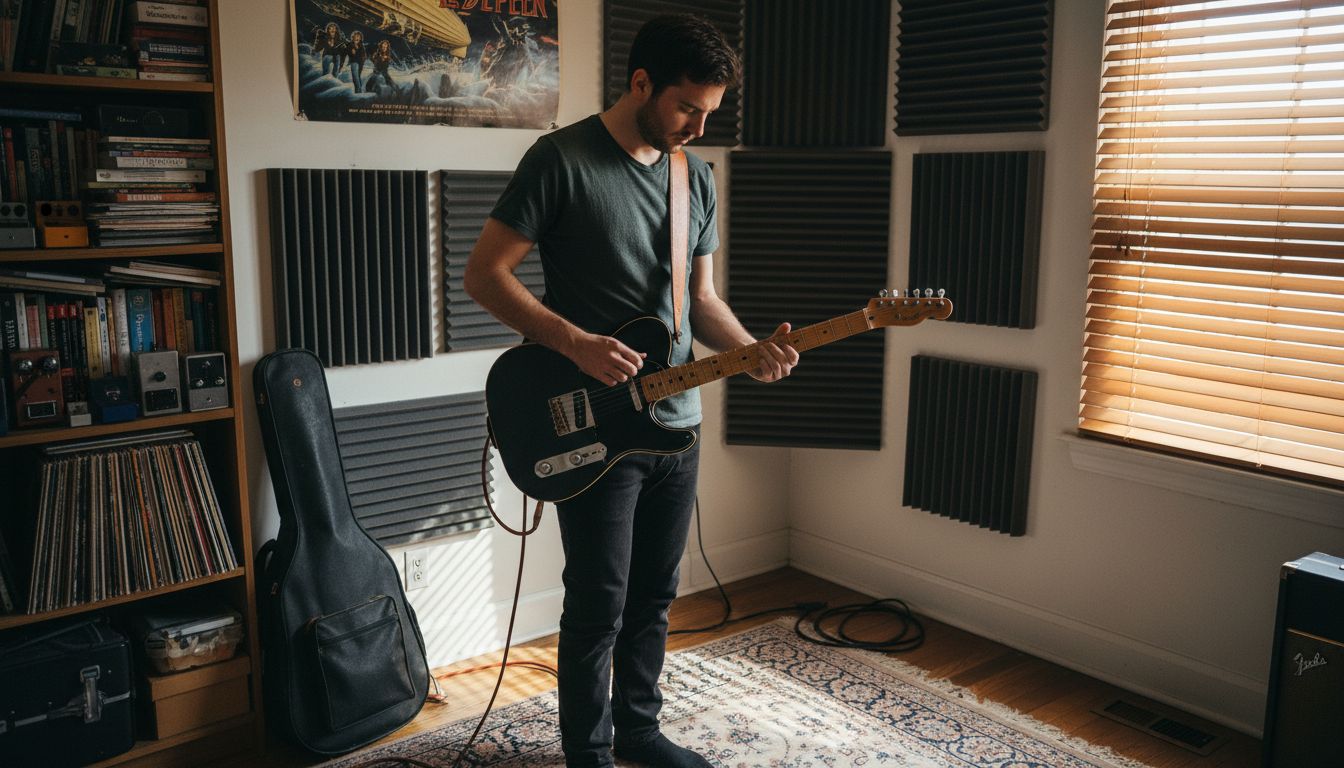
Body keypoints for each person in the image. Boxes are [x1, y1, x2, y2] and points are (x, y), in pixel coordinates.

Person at [464, 13, 798, 768]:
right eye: (688, 106)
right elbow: (484, 273)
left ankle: (640, 734)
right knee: (598, 602)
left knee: (655, 596)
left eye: (710, 111)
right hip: (594, 427)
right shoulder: (560, 161)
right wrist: (575, 344)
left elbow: (700, 301)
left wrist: (750, 352)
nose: (699, 123)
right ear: (641, 82)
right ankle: (588, 751)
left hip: (678, 423)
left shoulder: (696, 177)